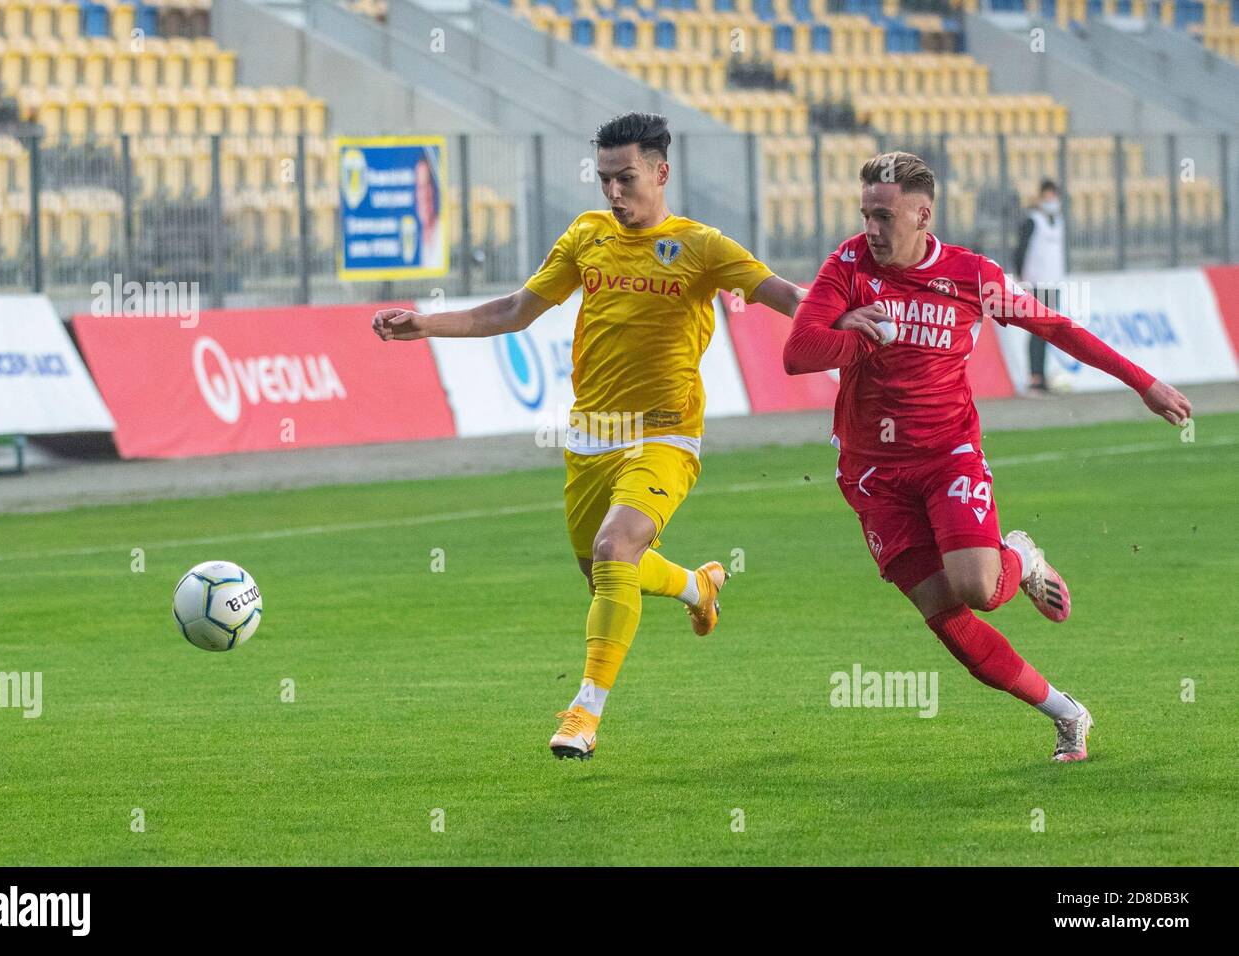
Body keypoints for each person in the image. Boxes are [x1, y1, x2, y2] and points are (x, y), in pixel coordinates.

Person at [374, 112, 807, 760]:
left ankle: (584, 713)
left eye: (625, 178)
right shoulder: (586, 235)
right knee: (606, 571)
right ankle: (697, 586)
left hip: (665, 436)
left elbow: (783, 294)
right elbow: (516, 310)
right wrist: (427, 323)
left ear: (661, 172)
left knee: (613, 547)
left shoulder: (702, 246)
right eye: (604, 179)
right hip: (591, 436)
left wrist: (852, 312)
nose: (613, 193)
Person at [782, 152, 1191, 762]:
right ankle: (1068, 714)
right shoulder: (847, 265)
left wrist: (1143, 383)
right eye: (866, 213)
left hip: (948, 454)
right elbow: (798, 354)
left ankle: (1020, 557)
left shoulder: (972, 276)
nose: (871, 228)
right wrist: (856, 330)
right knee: (944, 616)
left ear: (923, 214)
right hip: (871, 473)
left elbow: (1054, 328)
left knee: (975, 586)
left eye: (884, 215)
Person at [1014, 179, 1066, 394]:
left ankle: (1041, 375)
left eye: (1053, 196)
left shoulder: (1059, 221)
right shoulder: (1033, 221)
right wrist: (1021, 278)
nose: (1051, 200)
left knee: (1047, 332)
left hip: (1052, 283)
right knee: (1037, 331)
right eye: (1047, 196)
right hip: (1036, 284)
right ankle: (1035, 377)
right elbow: (1020, 250)